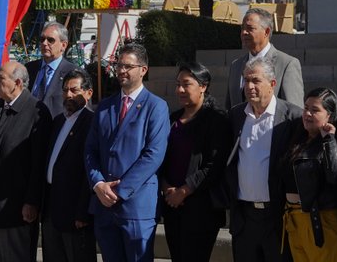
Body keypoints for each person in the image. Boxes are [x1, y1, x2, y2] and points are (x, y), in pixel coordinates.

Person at [85, 42, 170, 262]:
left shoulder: (156, 106)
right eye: (118, 65)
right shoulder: (105, 106)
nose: (121, 70)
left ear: (143, 70)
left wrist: (120, 191)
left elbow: (154, 155)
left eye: (127, 66)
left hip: (136, 207)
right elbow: (90, 150)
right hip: (104, 205)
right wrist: (98, 184)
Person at [224, 57, 305, 262]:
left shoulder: (293, 117)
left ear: (272, 84)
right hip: (244, 217)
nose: (249, 86)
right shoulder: (236, 115)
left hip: (277, 217)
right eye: (246, 80)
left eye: (255, 80)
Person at [0, 60, 51, 262]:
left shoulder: (37, 112)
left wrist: (31, 201)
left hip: (16, 207)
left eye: (1, 78)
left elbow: (38, 163)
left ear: (17, 82)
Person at [158, 62, 229, 262]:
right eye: (178, 84)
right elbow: (161, 158)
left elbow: (213, 165)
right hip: (172, 206)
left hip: (201, 209)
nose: (179, 89)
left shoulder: (217, 120)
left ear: (203, 86)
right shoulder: (173, 119)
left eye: (186, 84)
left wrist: (183, 191)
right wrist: (166, 187)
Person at [281, 87, 337, 262]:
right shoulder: (299, 137)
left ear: (329, 115)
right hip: (294, 219)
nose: (307, 114)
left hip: (321, 222)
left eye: (315, 110)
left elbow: (336, 175)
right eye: (306, 108)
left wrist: (329, 140)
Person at [42, 68, 98, 262]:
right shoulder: (58, 121)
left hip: (75, 211)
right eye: (65, 90)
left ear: (89, 93)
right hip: (52, 207)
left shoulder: (93, 123)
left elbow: (89, 169)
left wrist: (83, 211)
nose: (68, 95)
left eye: (74, 90)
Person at [226, 7, 304, 109]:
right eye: (242, 28)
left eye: (250, 28)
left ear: (266, 32)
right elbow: (229, 107)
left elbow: (295, 110)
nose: (244, 33)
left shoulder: (287, 64)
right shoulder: (236, 65)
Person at [26, 21, 80, 119]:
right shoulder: (29, 69)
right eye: (42, 39)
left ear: (63, 45)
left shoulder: (74, 73)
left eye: (50, 40)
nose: (44, 43)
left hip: (55, 129)